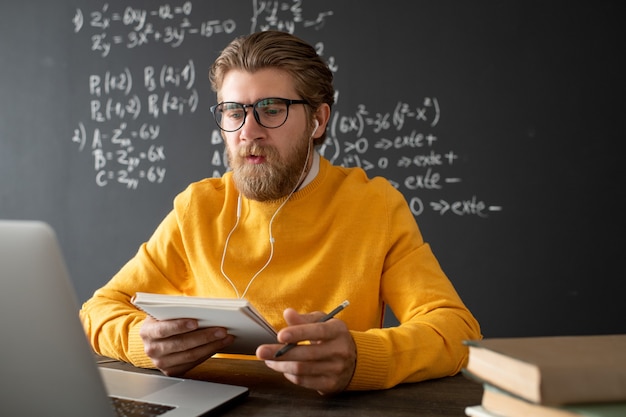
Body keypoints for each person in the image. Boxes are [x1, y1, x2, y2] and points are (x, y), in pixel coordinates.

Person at [80, 30, 481, 395]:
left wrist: (362, 357)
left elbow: (455, 330)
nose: (248, 131)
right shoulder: (198, 208)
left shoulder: (375, 206)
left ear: (318, 121)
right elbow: (98, 310)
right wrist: (144, 343)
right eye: (234, 112)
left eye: (271, 110)